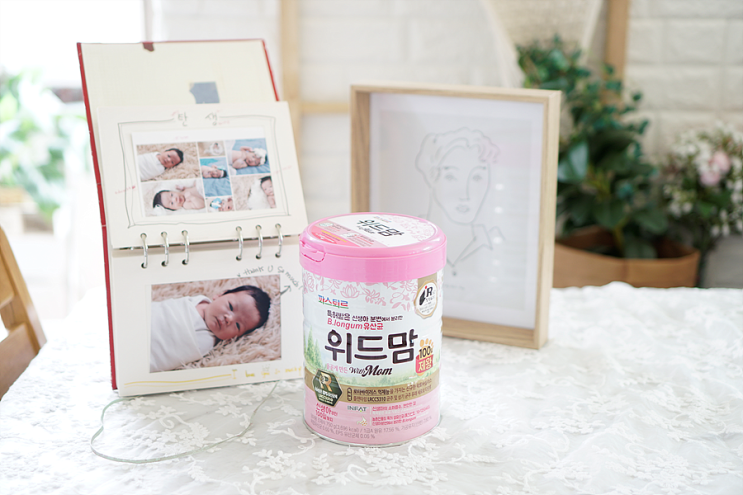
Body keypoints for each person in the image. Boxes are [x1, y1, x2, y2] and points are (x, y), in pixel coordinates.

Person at [150, 285, 271, 372]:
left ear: (233, 337)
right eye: (230, 306)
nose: (229, 318)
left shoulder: (207, 342)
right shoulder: (195, 301)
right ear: (220, 295)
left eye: (238, 325)